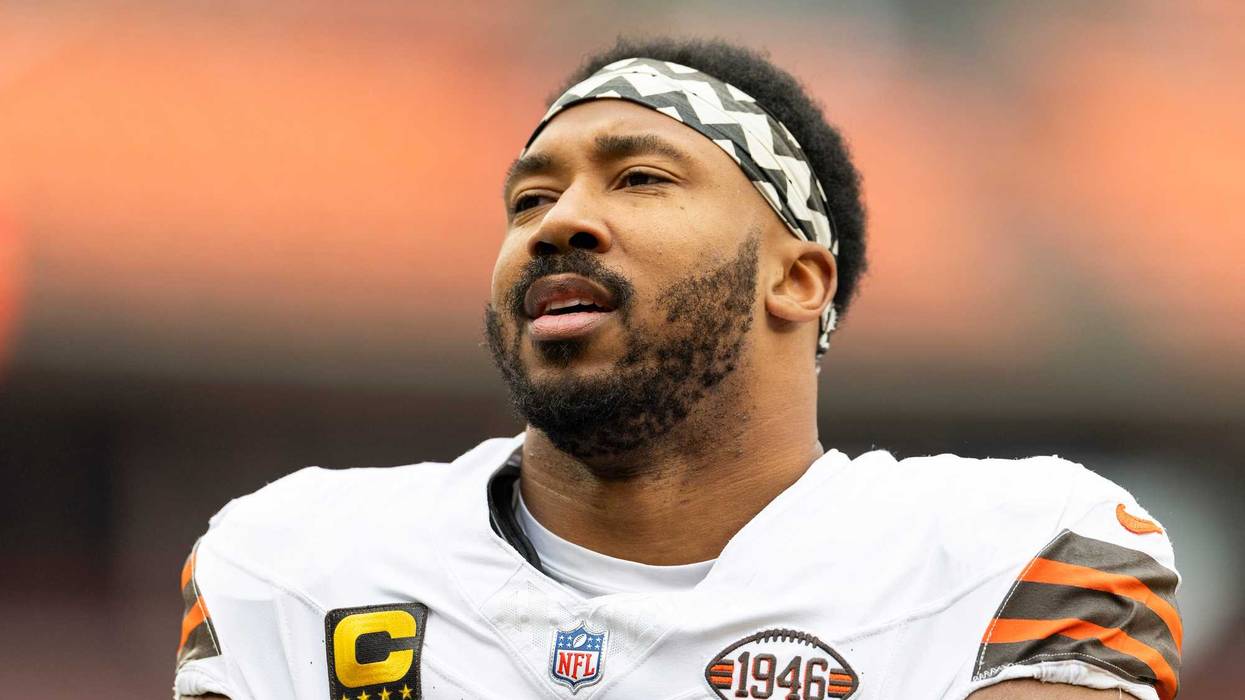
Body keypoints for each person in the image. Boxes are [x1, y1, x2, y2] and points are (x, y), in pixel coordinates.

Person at [175, 37, 1181, 700]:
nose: (557, 219)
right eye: (527, 201)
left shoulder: (1016, 560)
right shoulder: (293, 564)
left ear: (796, 277)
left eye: (641, 178)